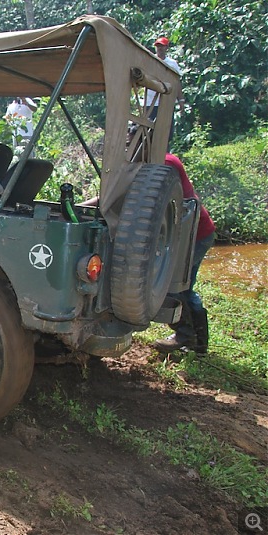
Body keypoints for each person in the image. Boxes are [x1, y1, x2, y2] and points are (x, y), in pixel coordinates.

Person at [153, 153, 215, 356]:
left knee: (173, 282)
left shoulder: (166, 162)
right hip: (184, 233)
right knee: (185, 288)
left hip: (195, 234)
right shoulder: (154, 161)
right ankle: (198, 344)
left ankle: (186, 334)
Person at [144, 37, 185, 140]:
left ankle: (166, 154)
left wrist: (181, 100)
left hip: (166, 102)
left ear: (166, 47)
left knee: (166, 132)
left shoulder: (172, 63)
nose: (159, 48)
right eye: (158, 46)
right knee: (149, 132)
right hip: (151, 102)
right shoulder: (150, 60)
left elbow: (177, 83)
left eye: (161, 46)